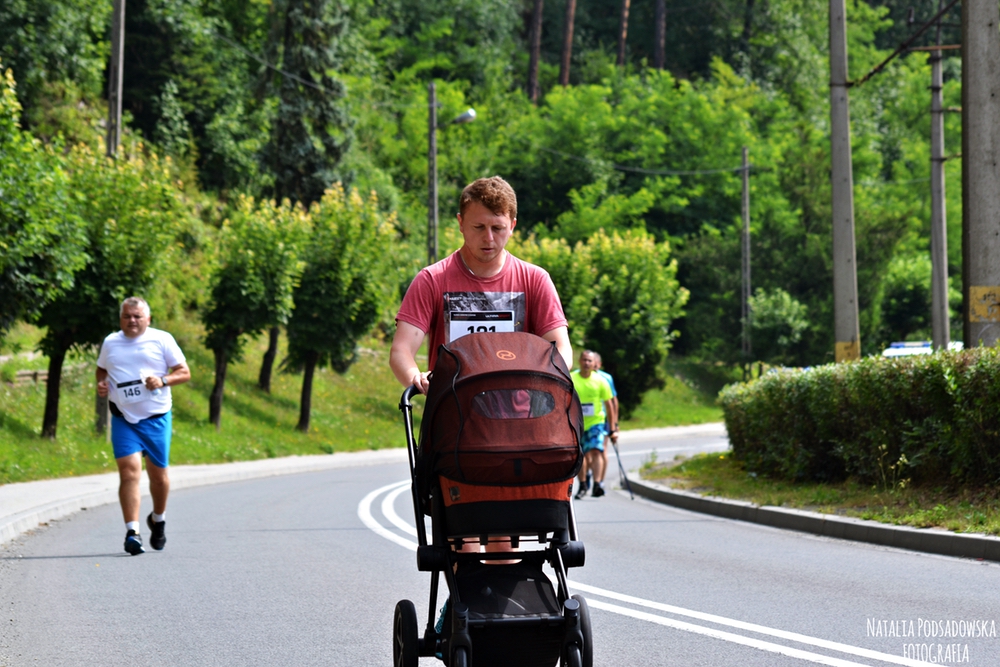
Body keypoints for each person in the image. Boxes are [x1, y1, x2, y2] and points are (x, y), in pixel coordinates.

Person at [390, 175, 572, 390]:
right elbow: (401, 351)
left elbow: (562, 350)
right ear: (461, 223)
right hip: (453, 407)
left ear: (512, 226)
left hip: (520, 409)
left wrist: (538, 379)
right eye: (478, 227)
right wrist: (416, 379)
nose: (489, 238)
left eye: (498, 228)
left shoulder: (535, 280)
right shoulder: (431, 280)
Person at [96, 297, 190, 555]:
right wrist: (102, 384)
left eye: (137, 316)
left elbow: (184, 372)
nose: (132, 321)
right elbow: (101, 370)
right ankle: (132, 532)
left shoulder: (162, 339)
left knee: (158, 477)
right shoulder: (111, 342)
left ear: (148, 319)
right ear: (120, 319)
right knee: (129, 473)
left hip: (156, 418)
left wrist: (163, 380)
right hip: (123, 418)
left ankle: (158, 520)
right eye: (127, 316)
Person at [571, 350, 617, 499]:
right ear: (579, 361)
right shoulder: (572, 378)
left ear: (594, 363)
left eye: (589, 361)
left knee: (597, 451)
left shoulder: (601, 380)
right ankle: (583, 485)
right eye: (584, 360)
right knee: (581, 455)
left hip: (596, 422)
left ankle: (597, 484)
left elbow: (609, 404)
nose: (586, 363)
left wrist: (613, 428)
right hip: (577, 423)